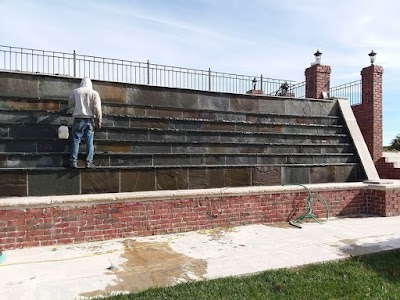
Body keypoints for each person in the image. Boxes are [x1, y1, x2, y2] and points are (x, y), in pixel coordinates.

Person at [68, 77, 102, 168]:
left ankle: (73, 161)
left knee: (75, 140)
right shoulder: (95, 93)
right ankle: (89, 162)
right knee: (89, 142)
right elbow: (97, 108)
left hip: (78, 119)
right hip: (89, 120)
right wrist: (99, 120)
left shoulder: (75, 91)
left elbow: (70, 103)